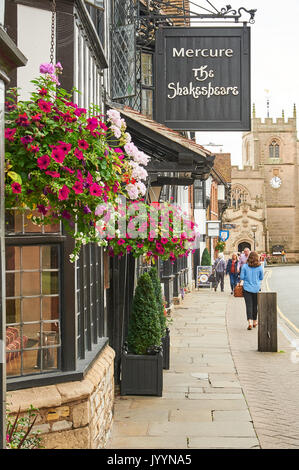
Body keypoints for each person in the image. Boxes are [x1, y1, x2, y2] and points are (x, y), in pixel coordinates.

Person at [240, 251, 264, 330]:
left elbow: (242, 277)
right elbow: (261, 278)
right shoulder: (260, 267)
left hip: (247, 288)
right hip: (256, 288)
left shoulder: (245, 266)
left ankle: (249, 322)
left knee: (248, 305)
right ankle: (255, 321)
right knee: (255, 306)